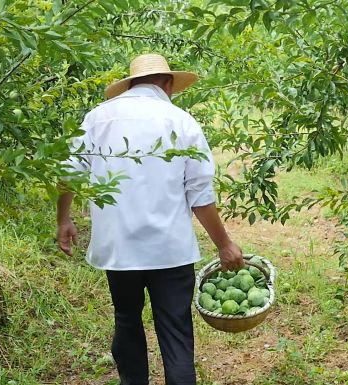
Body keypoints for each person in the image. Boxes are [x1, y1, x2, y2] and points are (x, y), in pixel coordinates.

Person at [55, 53, 244, 385]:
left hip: (119, 246)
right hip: (169, 250)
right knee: (175, 331)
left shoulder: (98, 118)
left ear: (131, 83)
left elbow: (68, 173)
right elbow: (200, 194)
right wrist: (225, 244)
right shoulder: (182, 121)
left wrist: (64, 219)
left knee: (127, 319)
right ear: (167, 84)